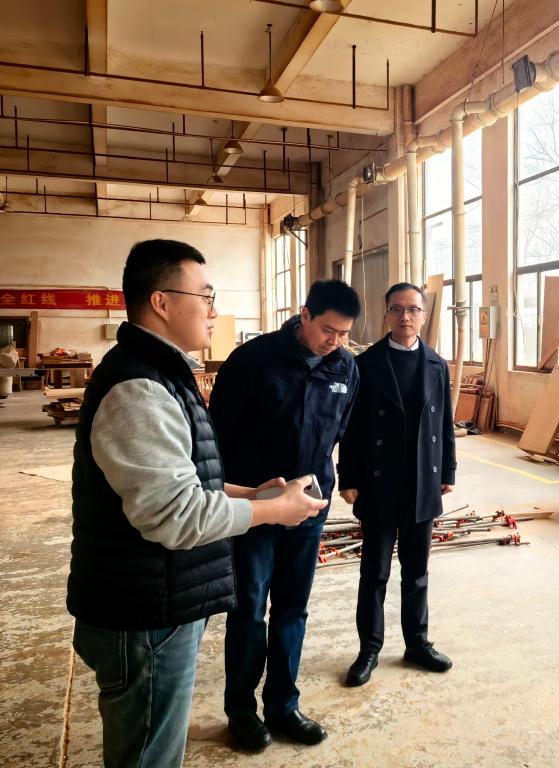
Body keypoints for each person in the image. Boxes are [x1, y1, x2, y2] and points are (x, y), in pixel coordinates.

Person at [68, 239, 326, 768]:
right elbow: (176, 516)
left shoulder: (162, 374)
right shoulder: (140, 388)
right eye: (205, 296)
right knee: (149, 756)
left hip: (158, 600)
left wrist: (249, 493)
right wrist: (272, 511)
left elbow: (183, 481)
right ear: (162, 302)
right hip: (144, 614)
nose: (213, 310)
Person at [209, 279, 361, 752]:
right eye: (328, 330)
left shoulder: (345, 367)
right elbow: (217, 438)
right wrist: (241, 497)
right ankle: (241, 711)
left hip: (309, 508)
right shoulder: (252, 361)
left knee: (293, 609)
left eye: (344, 334)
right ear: (305, 314)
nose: (334, 341)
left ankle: (283, 705)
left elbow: (343, 431)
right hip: (257, 507)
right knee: (249, 610)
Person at [338, 282, 457, 688]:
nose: (405, 316)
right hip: (378, 481)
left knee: (417, 571)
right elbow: (351, 428)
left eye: (413, 309)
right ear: (385, 313)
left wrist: (448, 471)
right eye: (397, 309)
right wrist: (348, 477)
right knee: (374, 573)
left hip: (422, 480)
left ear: (423, 315)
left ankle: (417, 643)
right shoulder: (365, 364)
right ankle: (369, 649)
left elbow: (445, 424)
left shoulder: (437, 364)